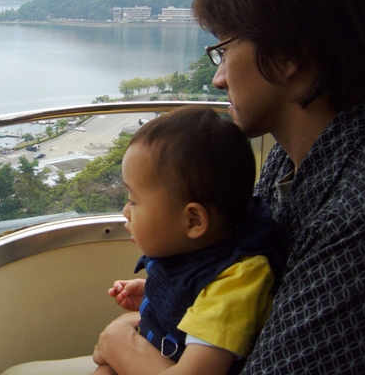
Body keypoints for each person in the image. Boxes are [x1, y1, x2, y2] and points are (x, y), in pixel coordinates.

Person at [3, 0, 365, 374]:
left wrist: (120, 345)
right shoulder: (297, 157)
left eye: (224, 49)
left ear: (291, 55)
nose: (218, 78)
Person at [93, 106, 283, 375]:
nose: (125, 211)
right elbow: (199, 299)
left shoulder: (237, 282)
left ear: (193, 221)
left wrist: (116, 346)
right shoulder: (202, 249)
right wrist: (154, 293)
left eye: (133, 201)